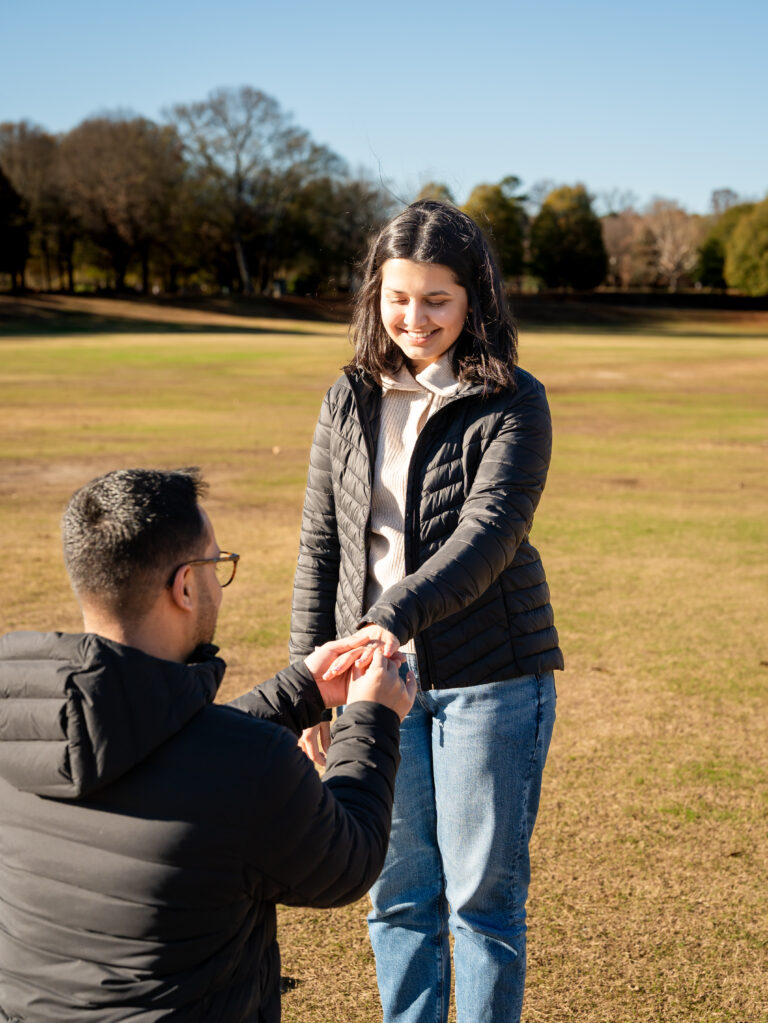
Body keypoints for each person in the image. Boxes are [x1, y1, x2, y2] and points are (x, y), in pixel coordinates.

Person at [0, 467, 415, 1023]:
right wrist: (372, 716)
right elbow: (348, 860)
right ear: (186, 586)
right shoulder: (248, 766)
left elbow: (165, 748)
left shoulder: (18, 719)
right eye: (219, 565)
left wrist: (301, 691)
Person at [290, 199, 564, 1023]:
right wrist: (312, 676)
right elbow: (320, 544)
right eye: (398, 297)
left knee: (481, 901)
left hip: (493, 676)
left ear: (475, 296)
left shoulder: (515, 400)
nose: (415, 318)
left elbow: (489, 536)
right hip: (376, 679)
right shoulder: (347, 395)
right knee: (397, 890)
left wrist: (390, 616)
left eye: (437, 299)